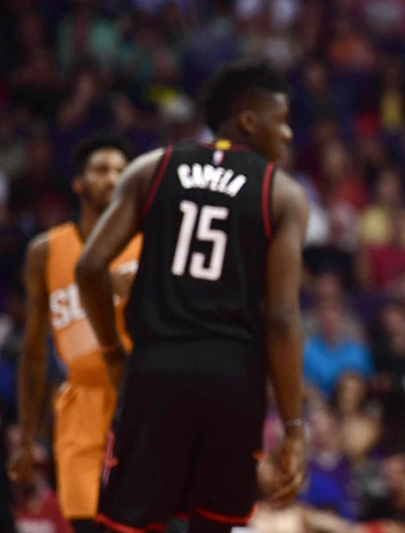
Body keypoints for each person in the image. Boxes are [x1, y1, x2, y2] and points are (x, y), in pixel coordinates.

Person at [75, 61, 310, 532]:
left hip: (156, 370)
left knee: (129, 523)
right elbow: (282, 318)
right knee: (214, 523)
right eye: (280, 121)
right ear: (248, 121)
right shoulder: (281, 194)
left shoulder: (152, 167)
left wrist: (111, 350)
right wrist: (293, 426)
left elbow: (89, 267)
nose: (286, 135)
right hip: (233, 378)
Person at [9, 132, 141, 533]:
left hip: (138, 401)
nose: (113, 178)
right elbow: (32, 351)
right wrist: (29, 437)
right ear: (79, 182)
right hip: (78, 405)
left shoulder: (148, 245)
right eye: (101, 170)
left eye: (121, 170)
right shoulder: (46, 251)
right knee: (84, 526)